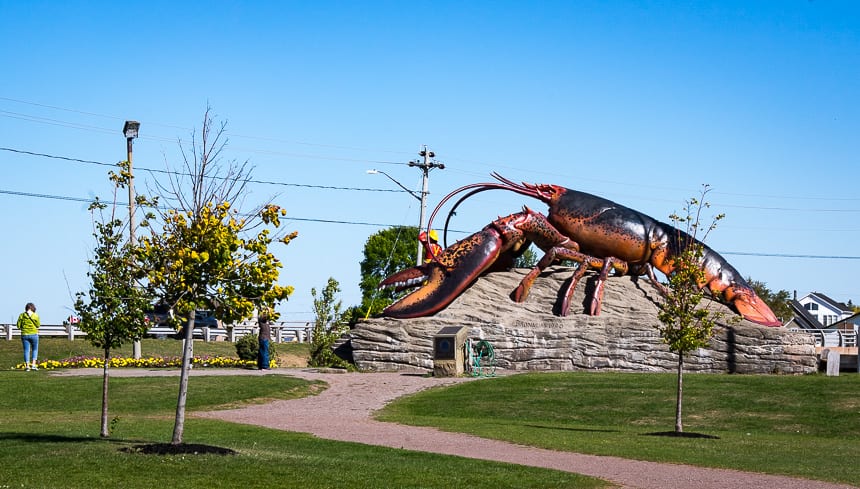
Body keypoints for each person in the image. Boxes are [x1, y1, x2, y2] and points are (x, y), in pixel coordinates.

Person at [17, 302, 40, 371]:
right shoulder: (35, 315)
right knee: (35, 349)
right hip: (34, 334)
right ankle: (33, 365)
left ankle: (27, 366)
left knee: (26, 350)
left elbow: (18, 326)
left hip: (24, 334)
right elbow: (38, 325)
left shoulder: (21, 315)